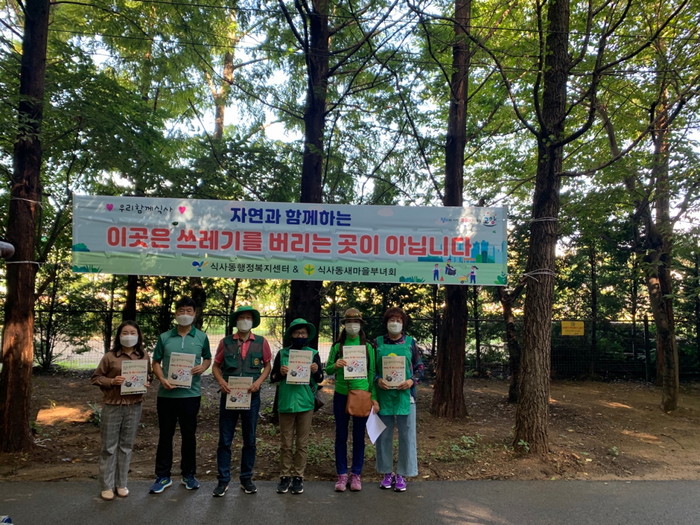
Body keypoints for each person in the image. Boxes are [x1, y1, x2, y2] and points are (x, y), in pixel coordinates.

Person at [149, 297, 211, 494]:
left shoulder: (201, 337)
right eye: (181, 311)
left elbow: (208, 358)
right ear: (176, 313)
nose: (185, 314)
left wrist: (203, 367)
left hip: (191, 395)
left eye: (189, 311)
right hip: (166, 395)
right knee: (165, 436)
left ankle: (188, 475)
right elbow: (155, 362)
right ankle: (162, 476)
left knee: (189, 436)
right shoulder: (165, 337)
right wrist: (162, 379)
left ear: (195, 314)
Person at [211, 306, 272, 497]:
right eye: (241, 317)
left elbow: (267, 366)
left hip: (251, 397)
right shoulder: (226, 342)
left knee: (250, 439)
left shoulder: (261, 342)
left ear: (252, 321)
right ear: (236, 321)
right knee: (225, 439)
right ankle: (223, 480)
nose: (245, 320)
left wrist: (258, 382)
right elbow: (216, 366)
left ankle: (246, 479)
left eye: (248, 317)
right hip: (229, 396)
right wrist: (221, 382)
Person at [91, 320, 151, 501]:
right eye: (125, 333)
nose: (129, 336)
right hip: (113, 405)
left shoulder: (143, 356)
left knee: (126, 446)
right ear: (119, 336)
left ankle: (121, 483)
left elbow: (149, 376)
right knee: (109, 447)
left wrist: (147, 381)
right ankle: (106, 485)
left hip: (134, 405)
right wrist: (112, 381)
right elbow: (96, 378)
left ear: (138, 336)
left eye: (133, 333)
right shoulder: (110, 356)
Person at [325, 308, 378, 492]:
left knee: (358, 436)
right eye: (349, 322)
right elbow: (328, 369)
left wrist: (373, 396)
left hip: (361, 394)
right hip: (341, 394)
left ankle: (356, 473)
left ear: (360, 325)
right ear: (344, 325)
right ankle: (341, 474)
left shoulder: (368, 347)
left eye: (355, 322)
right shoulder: (337, 346)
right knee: (341, 435)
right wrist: (336, 365)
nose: (352, 325)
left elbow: (372, 372)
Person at [270, 318, 323, 495]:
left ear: (308, 335)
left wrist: (316, 371)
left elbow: (320, 379)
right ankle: (285, 476)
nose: (300, 336)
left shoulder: (313, 353)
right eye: (297, 333)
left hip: (306, 402)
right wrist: (280, 372)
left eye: (303, 333)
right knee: (285, 443)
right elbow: (273, 377)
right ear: (291, 334)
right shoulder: (283, 354)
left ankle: (298, 476)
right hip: (286, 402)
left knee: (302, 443)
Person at [374, 306, 424, 492]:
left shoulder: (410, 343)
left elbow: (420, 367)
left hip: (406, 396)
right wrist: (377, 380)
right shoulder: (377, 343)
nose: (394, 323)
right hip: (383, 395)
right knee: (383, 436)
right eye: (391, 320)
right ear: (386, 323)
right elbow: (371, 369)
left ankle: (402, 474)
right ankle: (386, 473)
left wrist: (412, 381)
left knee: (407, 435)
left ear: (403, 324)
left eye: (398, 320)